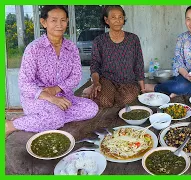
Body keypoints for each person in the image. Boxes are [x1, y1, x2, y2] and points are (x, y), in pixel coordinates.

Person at [5, 6, 99, 137]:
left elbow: (76, 76)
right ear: (44, 22)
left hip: (63, 96)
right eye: (54, 20)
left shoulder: (71, 48)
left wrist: (56, 90)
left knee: (91, 108)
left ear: (67, 22)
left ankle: (42, 119)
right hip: (38, 98)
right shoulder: (34, 49)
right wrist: (49, 97)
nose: (59, 25)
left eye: (63, 20)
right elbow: (24, 83)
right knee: (56, 117)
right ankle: (11, 125)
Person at [83, 5, 145, 107]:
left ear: (124, 19)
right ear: (106, 20)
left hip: (128, 81)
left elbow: (139, 64)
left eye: (120, 17)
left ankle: (111, 95)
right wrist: (96, 83)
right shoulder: (99, 41)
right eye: (113, 17)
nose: (117, 20)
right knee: (104, 101)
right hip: (107, 80)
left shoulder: (133, 39)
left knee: (126, 100)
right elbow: (95, 65)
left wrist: (143, 89)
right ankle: (99, 90)